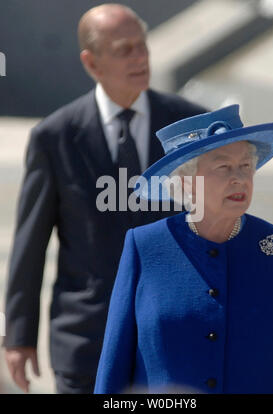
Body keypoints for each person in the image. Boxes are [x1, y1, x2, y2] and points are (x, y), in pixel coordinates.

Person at [3, 4, 206, 394]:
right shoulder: (55, 136)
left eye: (142, 45)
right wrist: (19, 335)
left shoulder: (190, 129)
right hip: (85, 343)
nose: (140, 57)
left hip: (173, 340)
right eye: (124, 49)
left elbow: (218, 229)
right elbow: (30, 243)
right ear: (91, 62)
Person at [93, 104, 273, 394]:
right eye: (223, 167)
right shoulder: (144, 246)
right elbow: (113, 367)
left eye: (245, 166)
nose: (239, 178)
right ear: (186, 181)